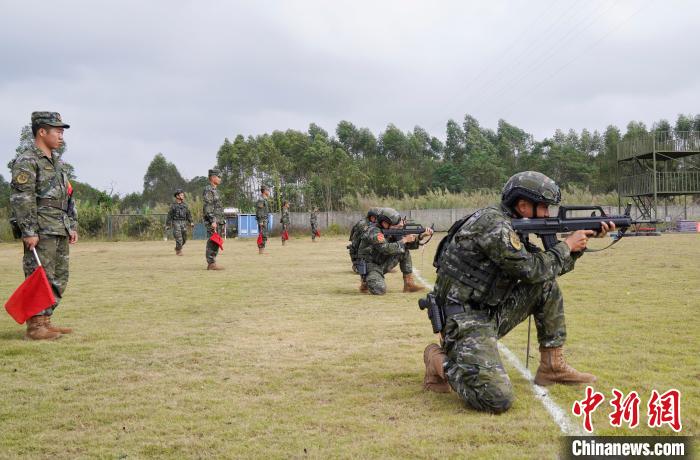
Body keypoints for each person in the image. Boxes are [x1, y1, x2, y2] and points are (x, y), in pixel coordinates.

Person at [422, 171, 614, 414]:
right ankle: (436, 359)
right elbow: (531, 269)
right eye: (544, 207)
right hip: (463, 320)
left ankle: (552, 365)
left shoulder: (511, 225)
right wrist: (567, 245)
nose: (547, 214)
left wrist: (578, 244)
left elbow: (543, 271)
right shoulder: (494, 225)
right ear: (523, 205)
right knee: (495, 398)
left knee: (546, 285)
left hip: (488, 312)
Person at [10, 111, 77, 340]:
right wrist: (29, 230)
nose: (61, 135)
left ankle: (46, 321)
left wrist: (72, 224)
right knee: (39, 276)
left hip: (59, 226)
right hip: (41, 229)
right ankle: (35, 326)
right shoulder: (27, 160)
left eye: (61, 131)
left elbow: (68, 195)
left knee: (59, 276)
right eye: (57, 131)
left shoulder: (58, 162)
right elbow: (22, 197)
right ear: (41, 131)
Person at [356, 208, 433, 295]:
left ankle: (409, 284)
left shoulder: (390, 231)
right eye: (396, 225)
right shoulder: (374, 231)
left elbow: (406, 245)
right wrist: (404, 240)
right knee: (379, 290)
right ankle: (366, 281)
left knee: (403, 251)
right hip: (370, 265)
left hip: (381, 262)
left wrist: (421, 236)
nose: (399, 226)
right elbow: (385, 248)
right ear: (385, 223)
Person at [203, 168, 225, 270]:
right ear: (212, 177)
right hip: (212, 220)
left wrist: (221, 220)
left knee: (217, 241)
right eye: (218, 176)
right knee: (213, 241)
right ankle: (211, 263)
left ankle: (212, 262)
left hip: (218, 219)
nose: (220, 179)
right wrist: (212, 220)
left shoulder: (217, 191)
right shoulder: (208, 190)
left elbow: (218, 207)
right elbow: (208, 206)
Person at [348, 207, 382, 271]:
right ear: (371, 217)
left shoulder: (371, 223)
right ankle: (357, 265)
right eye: (375, 218)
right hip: (358, 247)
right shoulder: (363, 224)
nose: (377, 219)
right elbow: (366, 236)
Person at [165, 188, 193, 256]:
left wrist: (191, 222)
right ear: (177, 196)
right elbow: (169, 215)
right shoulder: (173, 206)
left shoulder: (185, 205)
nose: (183, 196)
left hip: (184, 222)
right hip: (176, 222)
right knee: (179, 238)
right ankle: (179, 251)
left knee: (184, 239)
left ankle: (177, 248)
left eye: (183, 195)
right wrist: (168, 225)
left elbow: (188, 214)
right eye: (181, 195)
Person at [255, 184, 271, 254]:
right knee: (262, 235)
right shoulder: (261, 199)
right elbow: (259, 211)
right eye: (268, 190)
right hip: (262, 220)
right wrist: (261, 221)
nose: (269, 192)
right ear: (264, 191)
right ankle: (261, 251)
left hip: (265, 219)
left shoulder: (265, 199)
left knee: (264, 235)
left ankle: (262, 251)